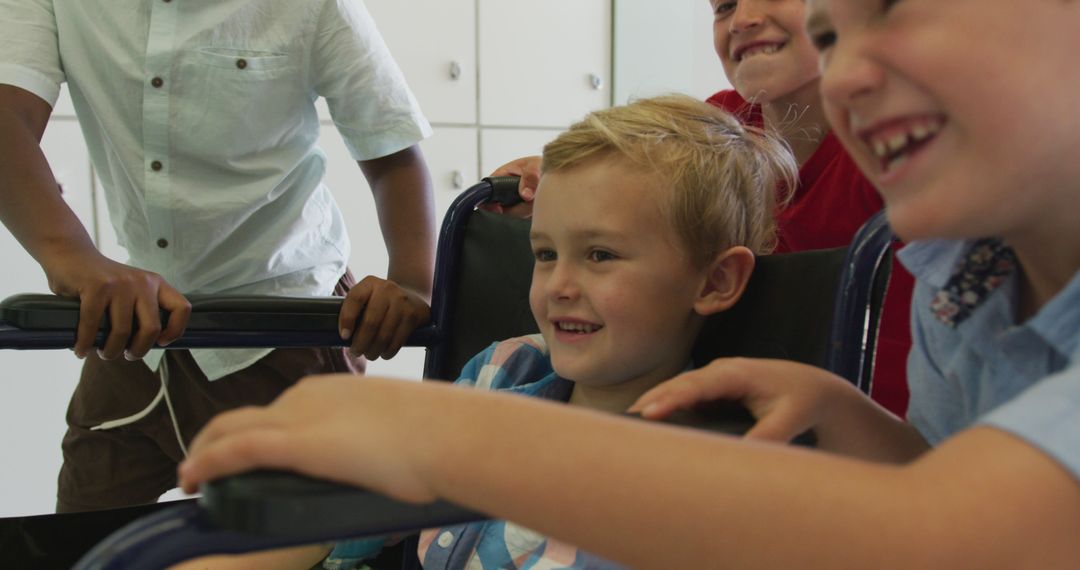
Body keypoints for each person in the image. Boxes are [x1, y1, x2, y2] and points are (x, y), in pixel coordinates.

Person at [178, 0, 1080, 566]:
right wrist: (846, 415)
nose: (847, 73)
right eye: (834, 34)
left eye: (900, 7)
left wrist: (443, 434)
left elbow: (953, 535)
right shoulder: (959, 281)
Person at [0, 0, 436, 513]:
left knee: (300, 547)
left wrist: (412, 282)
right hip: (138, 326)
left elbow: (393, 154)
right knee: (76, 540)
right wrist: (71, 256)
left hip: (282, 325)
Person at [489, 0, 915, 418]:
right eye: (724, 7)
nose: (743, 20)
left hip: (877, 425)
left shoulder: (897, 149)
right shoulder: (721, 124)